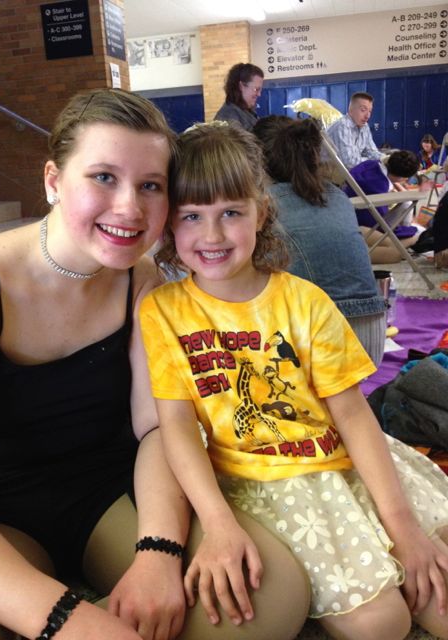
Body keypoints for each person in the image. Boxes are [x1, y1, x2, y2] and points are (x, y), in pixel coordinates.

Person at [0, 89, 310, 640]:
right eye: (103, 177)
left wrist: (158, 550)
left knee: (269, 593)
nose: (130, 208)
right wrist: (67, 620)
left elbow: (156, 427)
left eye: (150, 186)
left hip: (111, 493)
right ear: (54, 180)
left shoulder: (141, 278)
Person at [140, 121, 448, 640]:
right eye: (192, 216)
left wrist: (404, 529)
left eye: (231, 213)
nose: (212, 235)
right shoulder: (163, 312)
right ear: (170, 224)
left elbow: (353, 416)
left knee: (435, 581)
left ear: (261, 212)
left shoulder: (305, 301)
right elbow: (176, 427)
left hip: (345, 467)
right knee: (384, 623)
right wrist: (216, 522)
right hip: (263, 487)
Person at [252, 115, 386, 367]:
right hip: (373, 332)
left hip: (323, 333)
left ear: (255, 161)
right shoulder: (336, 196)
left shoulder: (263, 205)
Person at [343, 150, 420, 263]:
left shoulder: (370, 164)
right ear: (402, 178)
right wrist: (407, 231)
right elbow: (379, 222)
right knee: (414, 231)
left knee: (406, 203)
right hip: (364, 225)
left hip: (349, 213)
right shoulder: (380, 186)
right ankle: (412, 240)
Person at [326, 92, 382, 169]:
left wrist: (385, 159)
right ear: (351, 110)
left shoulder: (364, 126)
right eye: (363, 110)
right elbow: (349, 162)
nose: (368, 116)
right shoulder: (343, 125)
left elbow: (371, 151)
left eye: (370, 111)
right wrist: (375, 161)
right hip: (329, 172)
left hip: (347, 171)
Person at [213, 63, 264, 131]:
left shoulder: (247, 111)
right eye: (256, 89)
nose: (259, 94)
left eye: (260, 90)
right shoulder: (228, 117)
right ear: (241, 86)